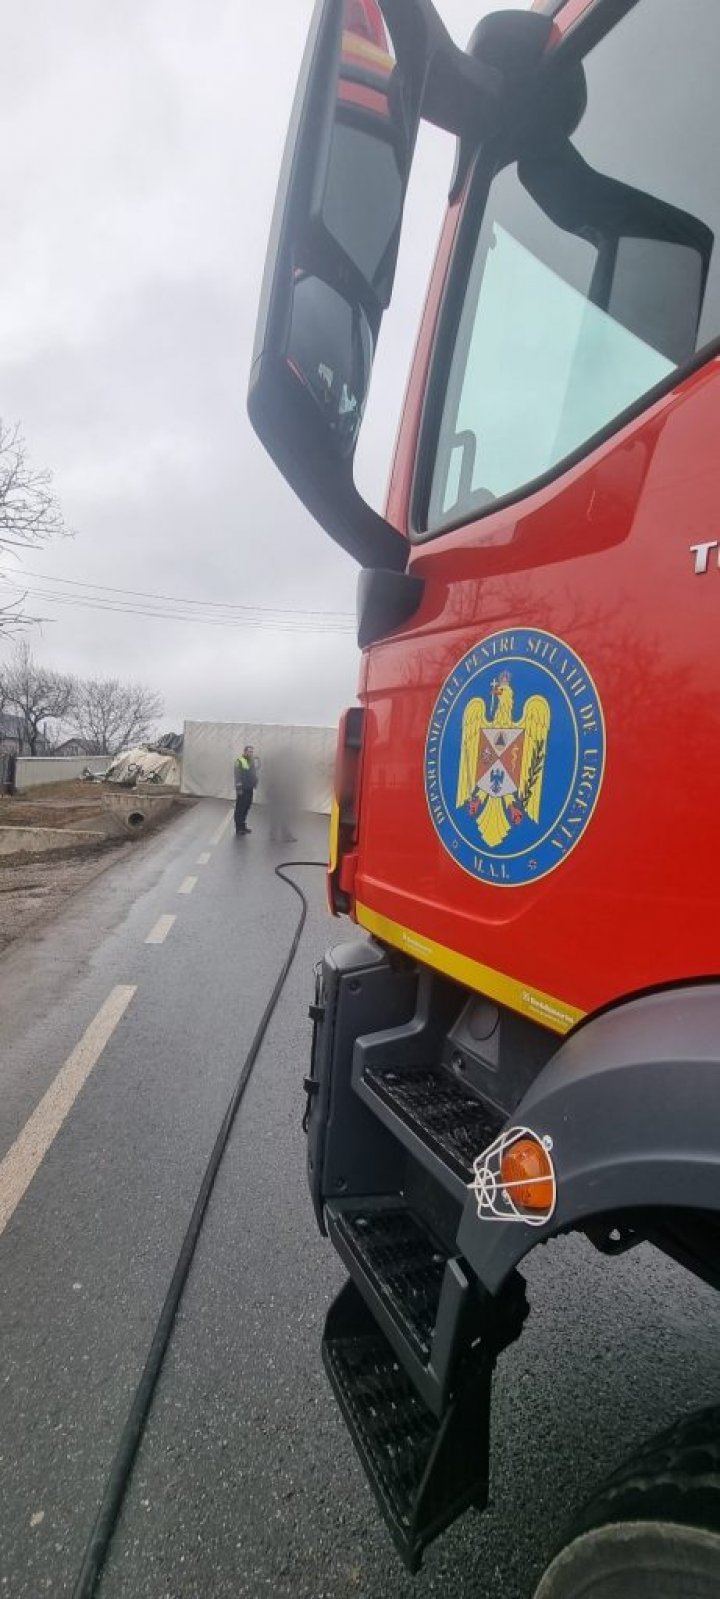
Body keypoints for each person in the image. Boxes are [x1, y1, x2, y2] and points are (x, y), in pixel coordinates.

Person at [263, 745, 298, 843]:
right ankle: (282, 835)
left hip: (279, 794)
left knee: (279, 815)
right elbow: (272, 780)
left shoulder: (281, 765)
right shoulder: (280, 766)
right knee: (280, 815)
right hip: (278, 795)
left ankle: (277, 835)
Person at [234, 744, 258, 834]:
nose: (251, 753)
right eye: (249, 751)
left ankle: (243, 826)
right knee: (240, 808)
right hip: (242, 789)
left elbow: (253, 773)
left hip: (249, 788)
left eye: (252, 751)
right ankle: (238, 828)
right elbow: (237, 775)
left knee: (246, 807)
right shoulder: (239, 761)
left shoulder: (251, 761)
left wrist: (255, 782)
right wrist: (239, 788)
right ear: (245, 752)